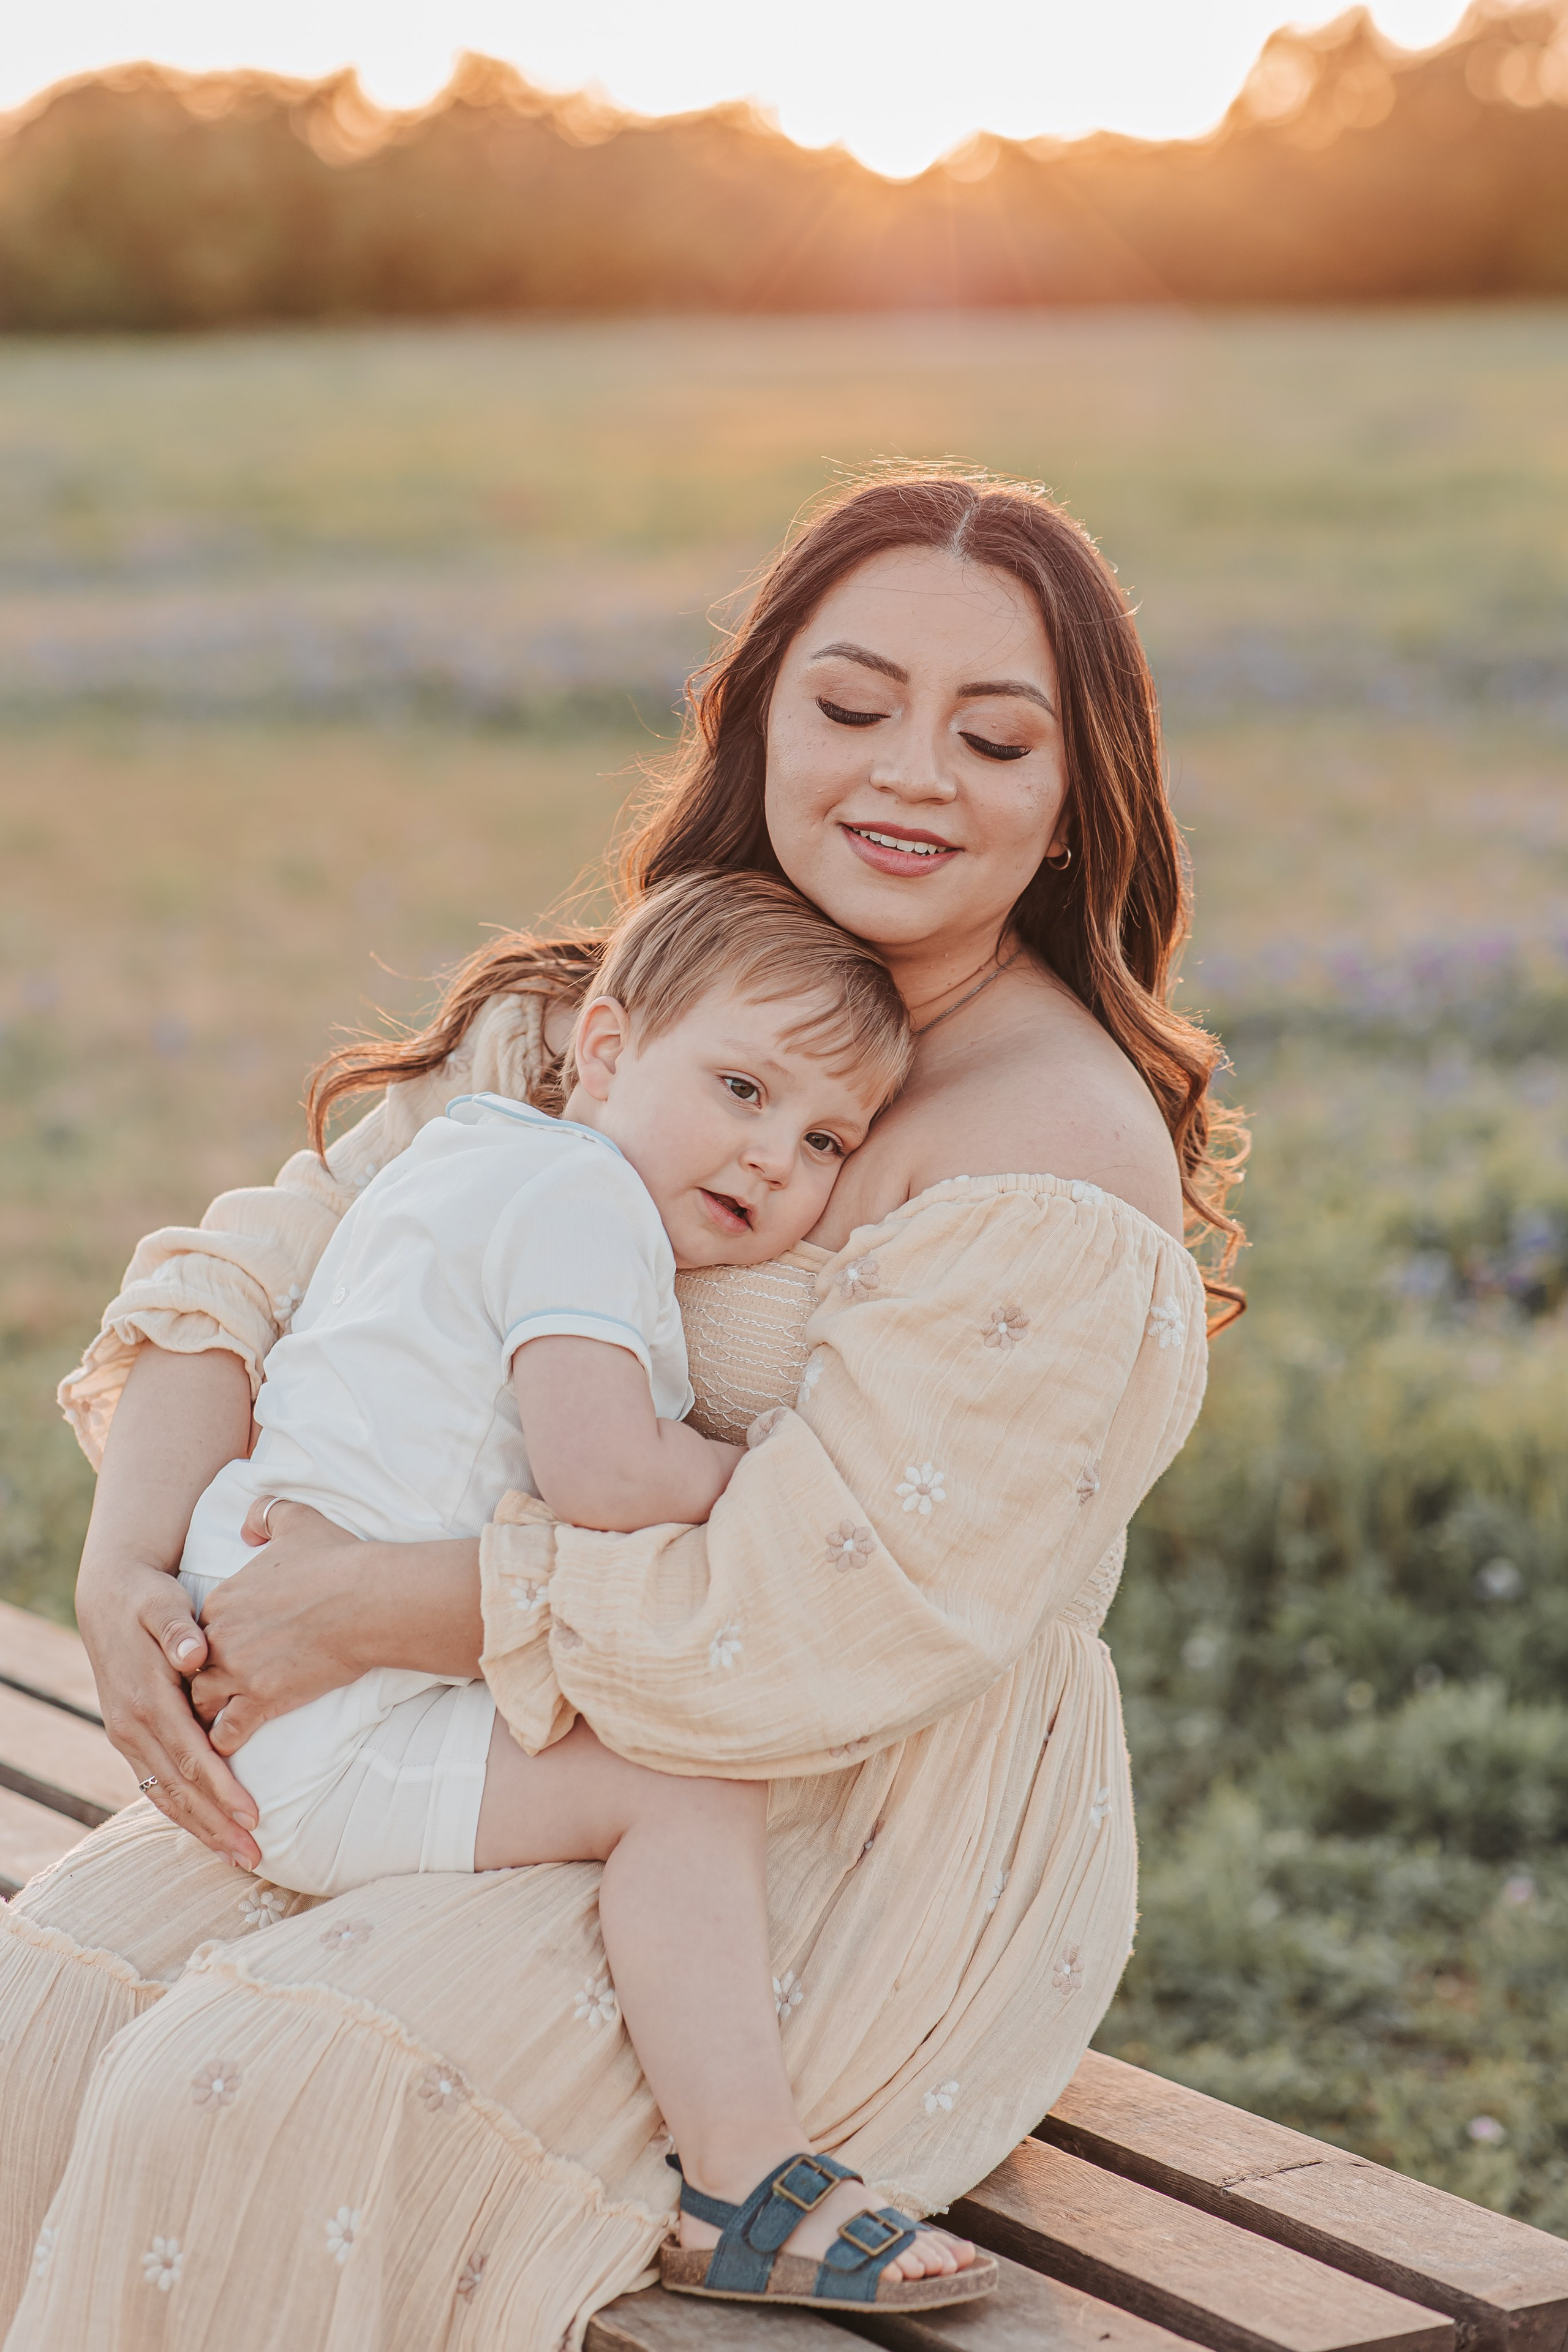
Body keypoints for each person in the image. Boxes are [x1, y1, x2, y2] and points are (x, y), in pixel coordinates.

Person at [1, 467, 1242, 2352]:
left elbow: (816, 1622)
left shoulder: (1050, 1165)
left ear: (1077, 804)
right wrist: (129, 1565)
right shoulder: (612, 1016)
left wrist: (352, 1605)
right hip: (441, 1716)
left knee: (248, 2094)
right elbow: (271, 1261)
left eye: (995, 739)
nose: (910, 775)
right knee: (54, 1997)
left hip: (810, 1809)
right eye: (850, 707)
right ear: (754, 719)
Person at [167, 867, 981, 2313]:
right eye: (738, 1086)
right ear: (602, 1047)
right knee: (688, 1783)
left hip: (265, 1623)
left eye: (820, 1139)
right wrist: (757, 1479)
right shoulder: (587, 1203)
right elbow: (602, 1473)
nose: (767, 1158)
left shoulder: (474, 1152)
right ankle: (744, 2181)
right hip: (329, 1717)